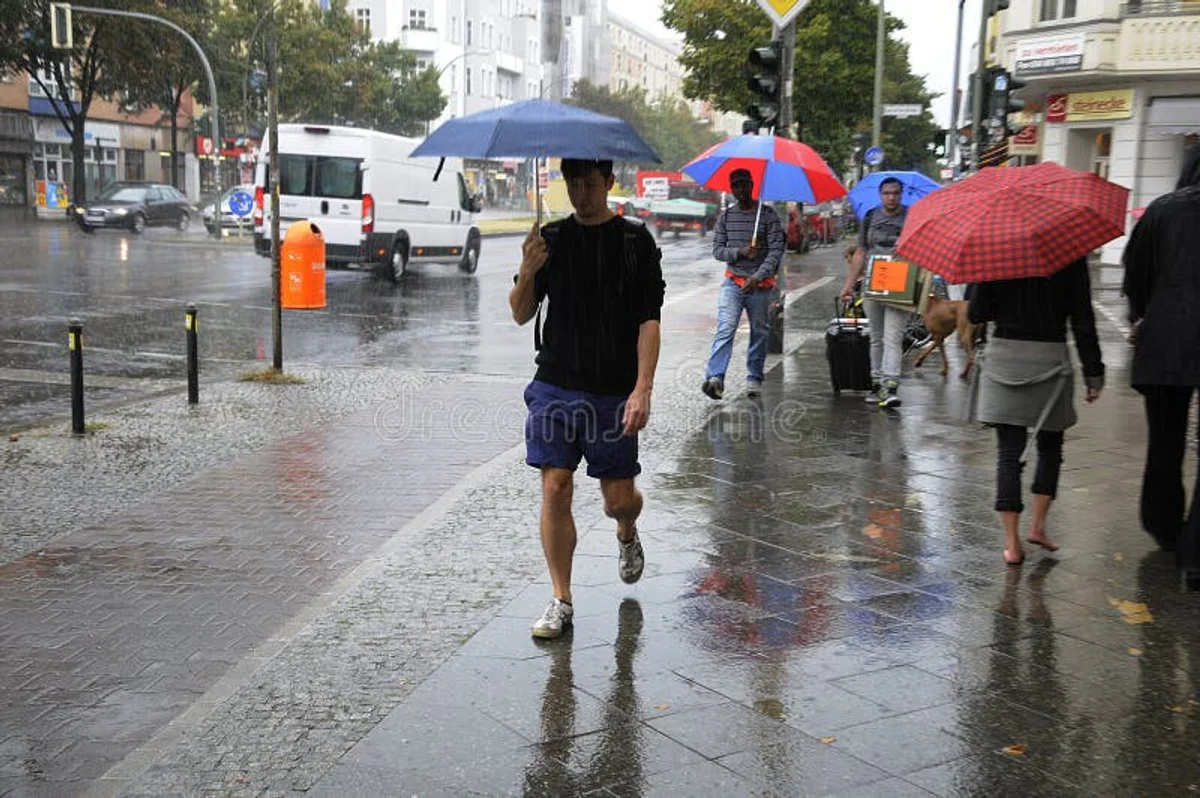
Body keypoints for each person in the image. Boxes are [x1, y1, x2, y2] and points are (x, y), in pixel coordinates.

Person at [509, 158, 665, 639]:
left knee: (618, 500)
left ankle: (626, 530)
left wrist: (642, 389)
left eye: (590, 184)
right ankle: (561, 599)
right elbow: (520, 313)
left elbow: (649, 321)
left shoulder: (634, 241)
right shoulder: (552, 239)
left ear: (609, 183)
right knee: (555, 485)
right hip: (555, 383)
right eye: (573, 183)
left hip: (612, 391)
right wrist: (528, 269)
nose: (581, 193)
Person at [968, 257, 1104, 566]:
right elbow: (1083, 318)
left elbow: (977, 312)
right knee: (1051, 447)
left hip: (1005, 360)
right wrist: (1093, 373)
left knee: (1008, 454)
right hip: (1051, 360)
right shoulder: (1070, 255)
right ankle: (1038, 527)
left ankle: (1011, 544)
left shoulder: (996, 252)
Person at [1120, 144, 1200, 586]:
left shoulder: (1162, 211)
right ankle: (1195, 552)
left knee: (1165, 439)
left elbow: (1135, 277)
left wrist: (1142, 316)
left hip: (1165, 339)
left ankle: (1164, 525)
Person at [701, 168, 785, 400]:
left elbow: (776, 251)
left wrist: (757, 277)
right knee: (726, 328)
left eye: (744, 185)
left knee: (759, 331)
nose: (740, 190)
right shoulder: (726, 217)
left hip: (761, 286)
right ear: (732, 189)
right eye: (735, 186)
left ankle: (754, 377)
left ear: (751, 185)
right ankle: (715, 377)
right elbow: (718, 251)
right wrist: (739, 252)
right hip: (733, 282)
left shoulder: (768, 216)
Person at [840, 176, 910, 408]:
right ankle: (876, 383)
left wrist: (907, 246)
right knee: (877, 337)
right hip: (873, 282)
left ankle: (891, 386)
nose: (892, 197)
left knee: (893, 336)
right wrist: (848, 285)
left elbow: (921, 249)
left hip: (900, 283)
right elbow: (861, 252)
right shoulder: (870, 216)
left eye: (896, 193)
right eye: (887, 193)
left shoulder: (911, 217)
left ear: (901, 194)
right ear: (880, 195)